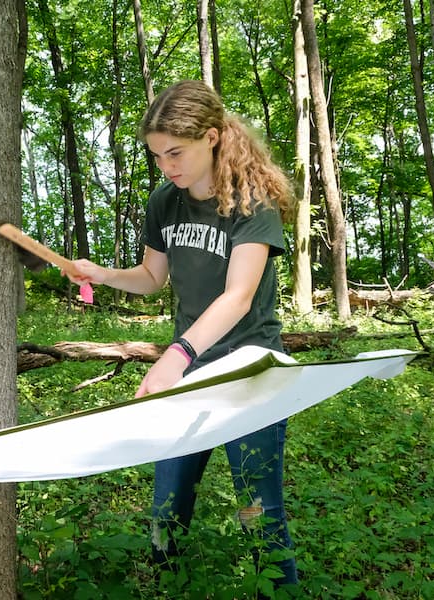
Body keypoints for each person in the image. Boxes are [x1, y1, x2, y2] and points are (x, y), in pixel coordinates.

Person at [66, 79, 298, 591]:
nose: (166, 166)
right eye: (157, 155)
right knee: (167, 504)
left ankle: (279, 589)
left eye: (176, 152)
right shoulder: (164, 202)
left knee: (257, 507)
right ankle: (165, 586)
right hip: (189, 370)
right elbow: (152, 279)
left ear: (212, 137)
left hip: (250, 371)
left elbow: (238, 296)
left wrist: (177, 352)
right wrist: (102, 274)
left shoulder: (251, 203)